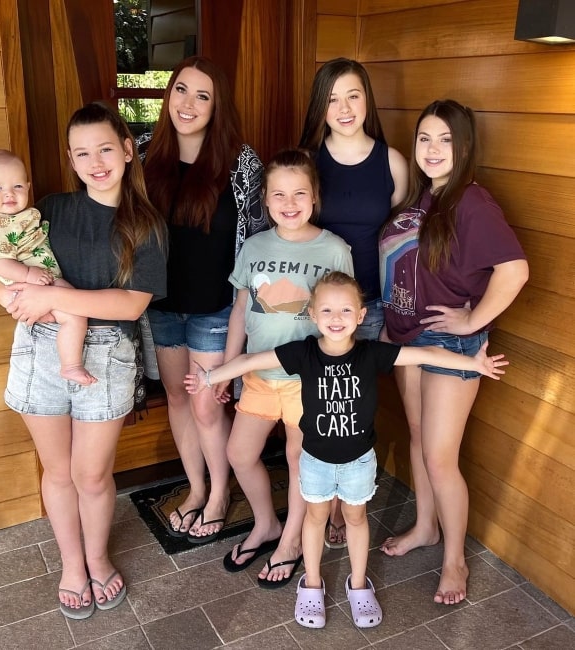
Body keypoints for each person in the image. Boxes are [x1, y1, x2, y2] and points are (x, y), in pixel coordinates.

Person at [185, 271, 508, 629]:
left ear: (360, 315)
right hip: (315, 462)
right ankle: (311, 583)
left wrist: (473, 363)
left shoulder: (371, 354)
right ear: (312, 314)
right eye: (326, 310)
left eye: (345, 310)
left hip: (358, 463)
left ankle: (358, 584)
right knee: (315, 519)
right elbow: (251, 361)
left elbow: (427, 352)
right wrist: (208, 378)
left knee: (356, 519)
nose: (335, 318)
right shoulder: (303, 353)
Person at [0, 102, 167, 619]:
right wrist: (13, 300)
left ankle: (98, 557)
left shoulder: (146, 225)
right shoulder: (48, 209)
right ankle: (72, 565)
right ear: (70, 159)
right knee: (59, 471)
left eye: (106, 149)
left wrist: (53, 296)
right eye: (82, 153)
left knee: (91, 475)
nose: (96, 162)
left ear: (128, 150)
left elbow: (130, 304)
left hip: (108, 356)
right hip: (40, 346)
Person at [378, 99, 528, 605]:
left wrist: (472, 319)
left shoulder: (472, 201)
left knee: (440, 457)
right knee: (419, 437)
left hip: (449, 342)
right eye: (425, 138)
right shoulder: (424, 198)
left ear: (464, 146)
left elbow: (515, 270)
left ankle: (455, 561)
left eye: (445, 139)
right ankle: (426, 527)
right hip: (407, 337)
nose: (433, 149)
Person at [140, 56, 267, 543]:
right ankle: (196, 489)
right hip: (162, 305)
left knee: (208, 406)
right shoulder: (145, 153)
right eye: (180, 90)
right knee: (177, 397)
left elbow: (257, 239)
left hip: (216, 306)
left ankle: (219, 493)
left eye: (202, 95)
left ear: (218, 106)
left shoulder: (241, 163)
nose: (188, 103)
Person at [220, 149, 354, 588]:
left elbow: (346, 315)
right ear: (265, 198)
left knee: (300, 460)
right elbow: (240, 309)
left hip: (308, 380)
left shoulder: (334, 249)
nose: (289, 203)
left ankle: (292, 541)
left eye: (299, 193)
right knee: (240, 453)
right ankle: (267, 524)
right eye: (278, 194)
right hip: (258, 376)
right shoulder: (254, 246)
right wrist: (228, 366)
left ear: (315, 196)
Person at [299, 57, 408, 549]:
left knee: (354, 410)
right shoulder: (308, 162)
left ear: (367, 100)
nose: (343, 108)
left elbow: (402, 236)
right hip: (316, 310)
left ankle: (350, 507)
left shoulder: (393, 163)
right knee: (318, 409)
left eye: (353, 95)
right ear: (319, 107)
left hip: (370, 307)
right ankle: (318, 509)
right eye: (332, 98)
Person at [0, 149, 95, 386]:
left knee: (71, 312)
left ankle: (69, 363)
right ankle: (71, 365)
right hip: (27, 283)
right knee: (74, 313)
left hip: (39, 282)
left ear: (28, 187)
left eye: (17, 186)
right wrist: (28, 274)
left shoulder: (22, 215)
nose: (9, 193)